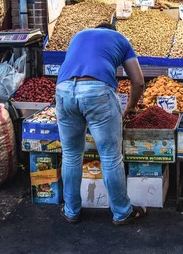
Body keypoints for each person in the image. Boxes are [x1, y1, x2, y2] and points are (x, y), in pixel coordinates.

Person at [55, 22, 147, 225]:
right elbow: (138, 81)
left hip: (63, 90)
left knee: (70, 154)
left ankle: (71, 210)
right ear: (113, 31)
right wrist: (130, 107)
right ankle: (122, 212)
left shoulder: (78, 35)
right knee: (110, 156)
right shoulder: (120, 39)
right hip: (97, 91)